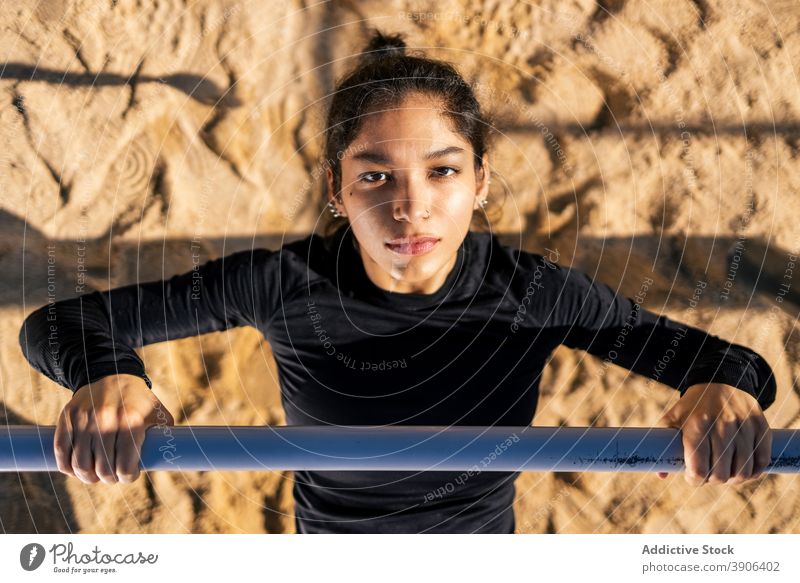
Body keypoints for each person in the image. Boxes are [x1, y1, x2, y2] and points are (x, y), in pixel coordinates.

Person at [18, 29, 776, 534]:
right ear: (335, 189)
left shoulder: (533, 295)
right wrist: (107, 374)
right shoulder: (285, 284)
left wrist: (724, 387)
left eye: (442, 171)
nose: (410, 205)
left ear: (481, 181)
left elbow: (740, 365)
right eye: (375, 174)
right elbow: (52, 325)